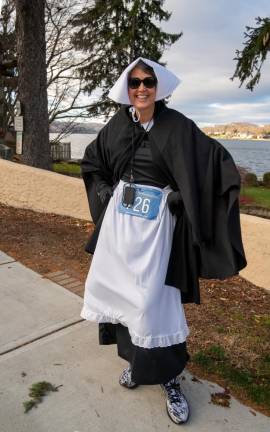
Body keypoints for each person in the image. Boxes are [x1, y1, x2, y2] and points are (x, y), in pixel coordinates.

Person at [80, 57, 247, 425]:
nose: (141, 89)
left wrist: (178, 199)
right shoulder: (118, 125)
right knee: (123, 297)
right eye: (135, 82)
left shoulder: (177, 126)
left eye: (148, 82)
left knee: (155, 302)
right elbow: (94, 161)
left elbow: (215, 164)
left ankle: (170, 380)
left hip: (157, 232)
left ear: (159, 87)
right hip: (120, 230)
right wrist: (106, 191)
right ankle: (137, 366)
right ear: (127, 88)